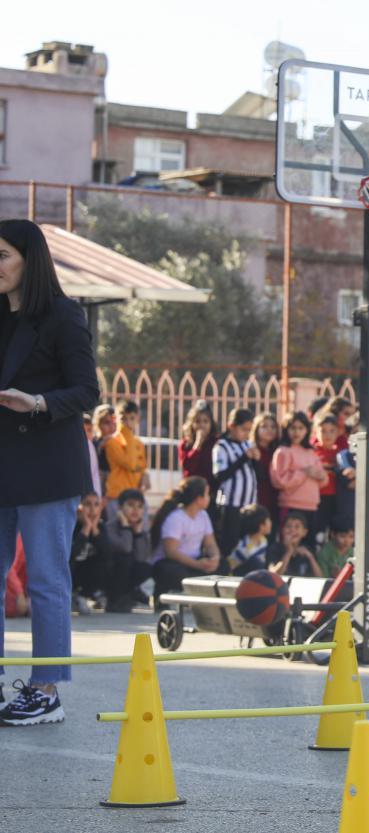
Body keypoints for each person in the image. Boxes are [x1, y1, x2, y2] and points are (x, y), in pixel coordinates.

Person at [0, 218, 100, 726]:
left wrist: (37, 402)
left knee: (45, 580)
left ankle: (46, 690)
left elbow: (88, 391)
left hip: (45, 465)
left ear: (28, 260)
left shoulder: (63, 314)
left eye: (2, 256)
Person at [150, 477, 221, 601]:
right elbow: (171, 551)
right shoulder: (176, 518)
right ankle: (160, 594)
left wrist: (215, 558)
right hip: (172, 562)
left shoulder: (203, 515)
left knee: (222, 566)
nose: (209, 497)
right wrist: (197, 565)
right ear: (199, 499)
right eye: (207, 494)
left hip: (194, 562)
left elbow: (210, 543)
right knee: (174, 572)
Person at [212, 407, 259, 557]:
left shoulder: (247, 444)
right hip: (230, 504)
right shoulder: (221, 447)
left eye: (249, 430)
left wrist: (256, 460)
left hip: (248, 504)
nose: (246, 434)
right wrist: (244, 458)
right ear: (231, 426)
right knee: (229, 543)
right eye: (243, 429)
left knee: (246, 543)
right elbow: (220, 475)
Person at [101, 488, 154, 612]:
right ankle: (113, 598)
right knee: (124, 560)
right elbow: (125, 548)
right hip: (110, 573)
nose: (135, 510)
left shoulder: (141, 529)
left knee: (145, 568)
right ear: (120, 508)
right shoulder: (110, 527)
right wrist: (125, 527)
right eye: (130, 505)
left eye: (140, 506)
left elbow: (142, 558)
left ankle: (126, 596)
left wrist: (138, 534)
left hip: (127, 574)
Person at [270, 411, 325, 527]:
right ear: (286, 429)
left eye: (301, 428)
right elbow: (279, 480)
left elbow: (322, 480)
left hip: (312, 505)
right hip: (291, 505)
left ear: (307, 430)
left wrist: (321, 476)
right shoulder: (283, 451)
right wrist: (303, 473)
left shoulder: (311, 452)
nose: (297, 432)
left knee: (308, 544)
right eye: (293, 428)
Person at [102, 400, 148, 510]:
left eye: (131, 418)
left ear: (138, 419)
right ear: (115, 419)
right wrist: (126, 432)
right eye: (123, 419)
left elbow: (141, 467)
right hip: (117, 497)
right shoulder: (112, 442)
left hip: (135, 498)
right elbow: (130, 464)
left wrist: (145, 476)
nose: (128, 423)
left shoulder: (139, 443)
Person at [69, 492, 105, 614]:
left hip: (86, 573)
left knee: (107, 562)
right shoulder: (71, 525)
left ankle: (84, 595)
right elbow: (72, 554)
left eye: (96, 505)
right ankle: (69, 596)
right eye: (87, 504)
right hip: (72, 572)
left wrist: (93, 528)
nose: (92, 509)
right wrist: (85, 528)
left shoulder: (100, 526)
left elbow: (107, 554)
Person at [310, 411, 340, 543]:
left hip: (336, 498)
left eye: (331, 431)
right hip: (317, 497)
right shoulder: (312, 451)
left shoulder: (340, 453)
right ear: (316, 432)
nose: (327, 435)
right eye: (323, 431)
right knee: (318, 533)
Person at [251, 412, 281, 528]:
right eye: (264, 426)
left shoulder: (278, 450)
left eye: (273, 427)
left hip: (275, 499)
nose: (269, 430)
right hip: (257, 498)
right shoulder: (252, 449)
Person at [178, 401, 218, 487]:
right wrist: (197, 444)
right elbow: (187, 466)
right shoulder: (185, 444)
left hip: (210, 490)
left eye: (205, 421)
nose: (202, 425)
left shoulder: (216, 443)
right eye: (197, 422)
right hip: (191, 489)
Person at [269, 511, 320, 577]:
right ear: (282, 530)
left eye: (297, 527)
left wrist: (310, 557)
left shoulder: (307, 550)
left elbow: (320, 577)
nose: (292, 530)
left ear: (304, 532)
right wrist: (289, 552)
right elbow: (274, 575)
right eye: (288, 526)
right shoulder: (275, 548)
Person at [227, 504, 271, 576]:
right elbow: (230, 568)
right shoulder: (244, 548)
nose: (270, 523)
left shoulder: (264, 541)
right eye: (268, 520)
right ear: (261, 525)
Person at [91, 403, 116, 489]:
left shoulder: (121, 440)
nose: (112, 427)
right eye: (107, 423)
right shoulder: (94, 442)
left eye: (114, 423)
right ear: (98, 424)